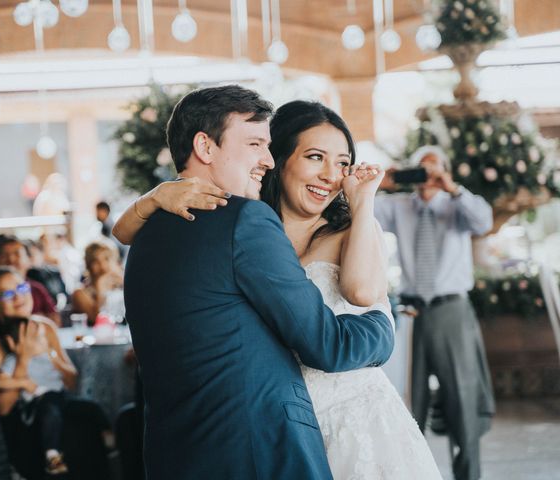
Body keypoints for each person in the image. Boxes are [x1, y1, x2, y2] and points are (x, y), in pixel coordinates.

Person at [116, 99, 442, 479]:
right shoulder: (243, 223)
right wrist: (384, 330)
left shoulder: (166, 230)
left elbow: (362, 293)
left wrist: (363, 202)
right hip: (270, 435)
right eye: (315, 157)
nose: (330, 175)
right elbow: (329, 343)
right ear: (281, 157)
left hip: (350, 422)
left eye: (341, 162)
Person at [375, 145, 495, 480]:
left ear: (445, 171)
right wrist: (380, 182)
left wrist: (451, 187)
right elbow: (357, 211)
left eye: (434, 168)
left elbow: (483, 221)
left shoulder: (457, 206)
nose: (427, 176)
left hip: (451, 310)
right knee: (410, 402)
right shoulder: (399, 206)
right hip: (412, 312)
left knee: (462, 400)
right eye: (421, 169)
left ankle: (468, 475)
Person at [0, 267, 111, 479]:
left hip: (54, 407)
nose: (18, 296)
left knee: (86, 419)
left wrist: (49, 352)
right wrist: (24, 356)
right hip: (20, 425)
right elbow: (3, 408)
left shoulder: (44, 327)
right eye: (7, 293)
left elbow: (71, 381)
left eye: (21, 287)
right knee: (71, 435)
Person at [0, 236, 60, 335]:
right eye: (4, 255)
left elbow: (54, 318)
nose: (11, 259)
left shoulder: (37, 288)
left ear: (29, 260)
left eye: (17, 254)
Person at [71, 241, 124, 325]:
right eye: (95, 261)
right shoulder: (79, 293)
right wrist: (101, 288)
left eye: (106, 259)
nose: (102, 265)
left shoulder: (120, 286)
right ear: (88, 265)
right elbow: (95, 320)